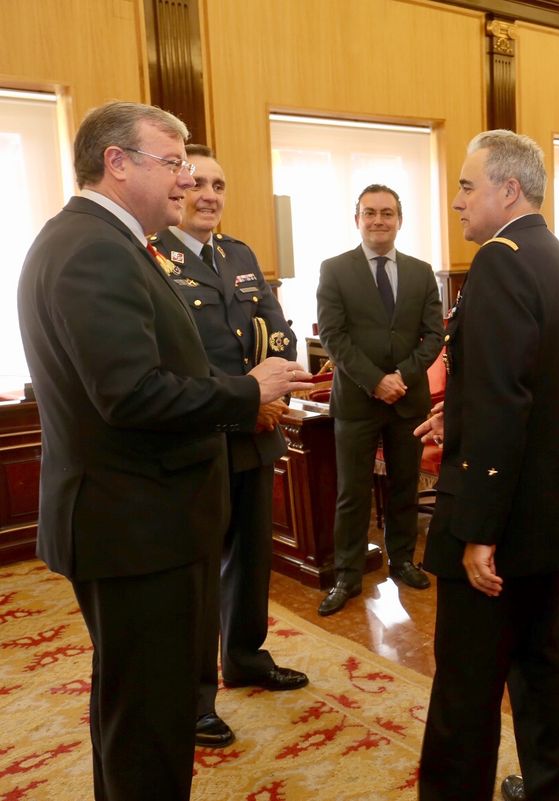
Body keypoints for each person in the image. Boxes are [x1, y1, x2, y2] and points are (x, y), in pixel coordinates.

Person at [16, 100, 310, 801]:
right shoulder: (92, 248)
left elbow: (156, 370)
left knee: (135, 706)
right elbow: (134, 395)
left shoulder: (100, 240)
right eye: (172, 163)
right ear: (117, 163)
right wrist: (246, 389)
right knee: (150, 717)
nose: (184, 181)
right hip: (136, 526)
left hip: (139, 519)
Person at [416, 130, 559, 801]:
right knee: (542, 666)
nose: (457, 200)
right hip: (546, 512)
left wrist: (478, 529)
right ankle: (554, 787)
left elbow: (505, 399)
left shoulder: (501, 262)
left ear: (507, 189)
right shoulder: (556, 259)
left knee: (466, 688)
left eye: (466, 185)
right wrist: (453, 417)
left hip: (499, 519)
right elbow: (525, 392)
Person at [151, 144, 309, 749]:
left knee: (251, 560)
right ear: (176, 188)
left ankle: (245, 655)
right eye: (195, 182)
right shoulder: (151, 257)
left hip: (255, 435)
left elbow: (281, 330)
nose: (208, 194)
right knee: (197, 573)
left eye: (218, 183)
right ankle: (194, 698)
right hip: (198, 437)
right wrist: (251, 395)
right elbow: (171, 363)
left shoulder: (238, 255)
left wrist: (270, 390)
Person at [316, 184, 444, 616]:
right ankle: (348, 575)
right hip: (356, 400)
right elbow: (333, 337)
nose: (378, 220)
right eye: (369, 213)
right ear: (357, 219)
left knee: (404, 486)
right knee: (352, 493)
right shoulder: (334, 269)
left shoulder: (421, 272)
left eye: (387, 213)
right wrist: (376, 382)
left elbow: (434, 336)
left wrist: (400, 378)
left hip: (407, 400)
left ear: (399, 220)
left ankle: (404, 560)